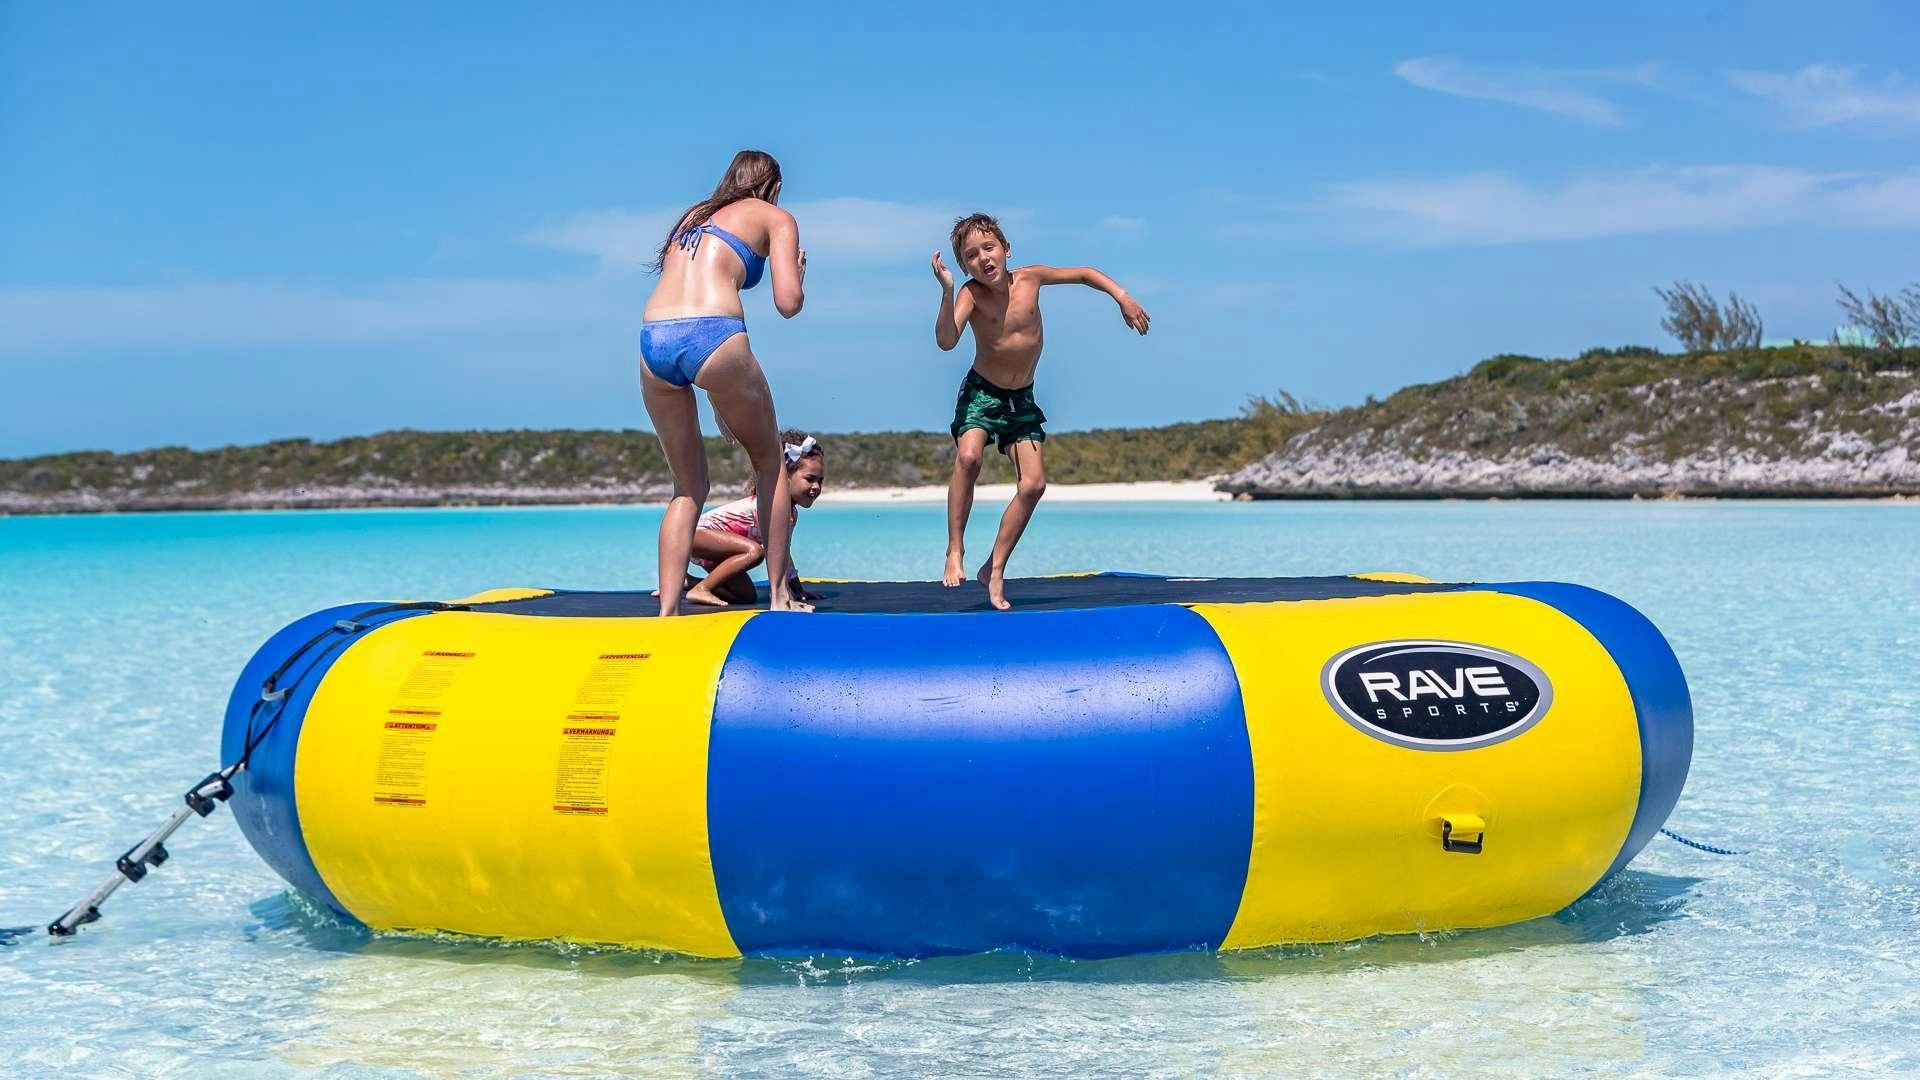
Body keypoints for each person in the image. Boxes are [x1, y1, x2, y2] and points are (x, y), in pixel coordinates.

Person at [931, 212, 1150, 609]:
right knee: (968, 456)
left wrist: (1123, 297)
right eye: (971, 256)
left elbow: (1084, 273)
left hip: (1021, 398)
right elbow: (946, 341)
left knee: (1033, 485)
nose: (983, 258)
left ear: (1006, 249)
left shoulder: (1031, 279)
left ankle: (994, 568)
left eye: (989, 247)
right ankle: (955, 549)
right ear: (964, 266)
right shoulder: (970, 295)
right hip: (982, 393)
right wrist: (947, 291)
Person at [640, 149, 811, 614]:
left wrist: (718, 393)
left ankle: (668, 610)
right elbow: (788, 303)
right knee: (772, 464)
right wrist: (796, 272)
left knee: (688, 486)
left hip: (653, 338)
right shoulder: (775, 216)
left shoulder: (693, 218)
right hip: (713, 332)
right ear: (772, 185)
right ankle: (778, 596)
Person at [681, 432, 827, 607]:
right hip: (696, 537)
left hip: (723, 552)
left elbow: (784, 554)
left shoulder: (790, 514)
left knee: (746, 596)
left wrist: (799, 590)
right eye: (810, 479)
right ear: (785, 477)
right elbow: (775, 553)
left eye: (820, 481)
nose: (816, 487)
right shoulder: (768, 507)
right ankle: (702, 589)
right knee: (755, 552)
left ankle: (690, 583)